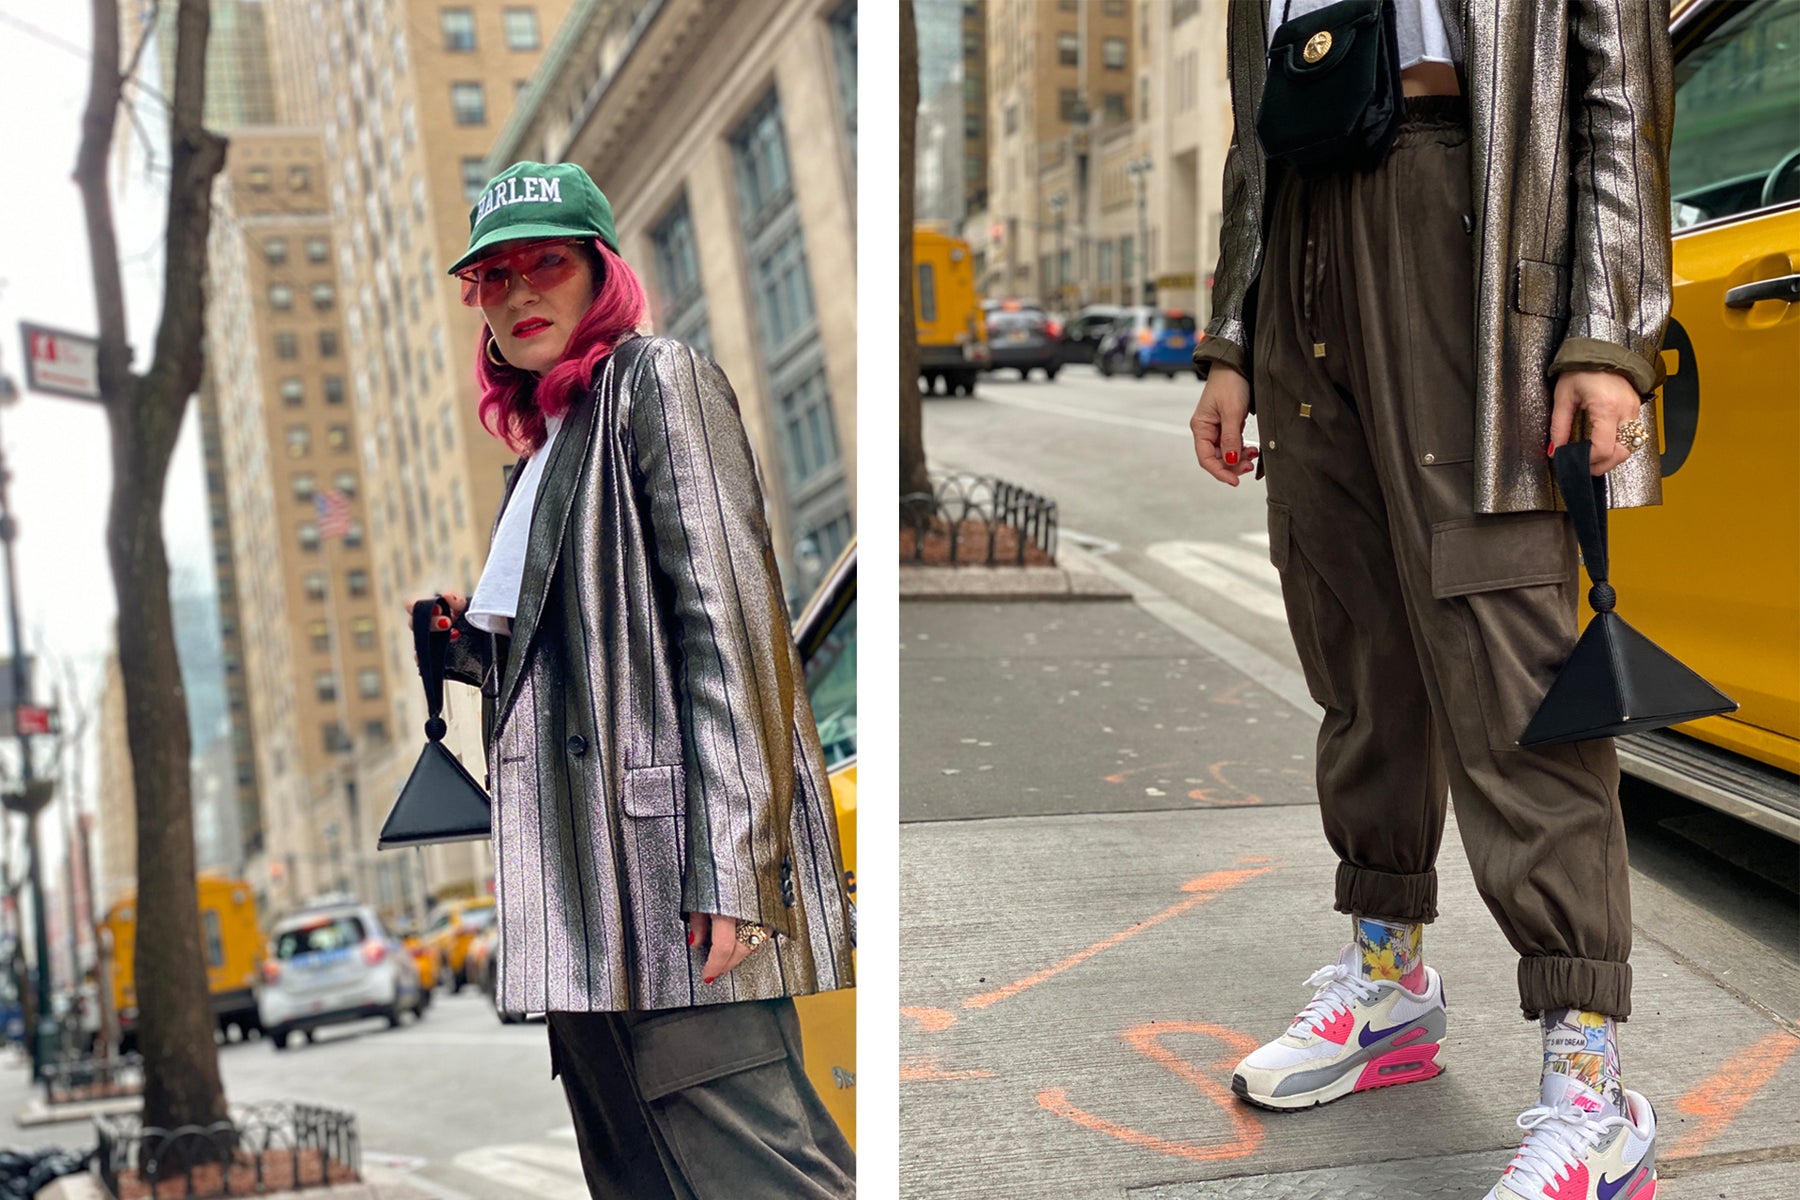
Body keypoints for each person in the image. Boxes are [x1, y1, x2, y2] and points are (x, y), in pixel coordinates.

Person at [1187, 4, 1671, 1198]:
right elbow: (1251, 125)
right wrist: (1234, 332)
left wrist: (1608, 328)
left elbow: (1622, 90)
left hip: (1464, 208)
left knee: (1503, 654)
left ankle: (1593, 1090)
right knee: (1353, 646)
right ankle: (1390, 980)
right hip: (1306, 210)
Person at [416, 160, 856, 1199]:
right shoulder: (542, 456)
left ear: (600, 273)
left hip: (671, 897)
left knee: (758, 1179)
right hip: (585, 919)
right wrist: (469, 651)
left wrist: (736, 870)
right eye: (494, 278)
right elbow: (585, 675)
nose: (519, 295)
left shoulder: (656, 381)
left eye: (547, 266)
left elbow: (731, 626)